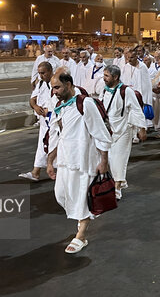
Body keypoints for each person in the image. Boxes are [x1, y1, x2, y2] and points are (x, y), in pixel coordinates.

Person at [46, 72, 112, 254]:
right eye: (52, 88)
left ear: (68, 84)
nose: (54, 92)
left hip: (84, 160)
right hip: (66, 160)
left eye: (57, 87)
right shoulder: (60, 106)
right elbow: (56, 135)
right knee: (61, 195)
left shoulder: (85, 103)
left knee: (82, 198)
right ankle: (81, 219)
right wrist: (50, 162)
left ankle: (81, 235)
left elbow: (101, 134)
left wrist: (104, 161)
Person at [101, 65, 147, 200]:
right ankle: (118, 182)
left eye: (106, 76)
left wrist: (141, 129)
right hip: (109, 130)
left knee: (118, 159)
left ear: (115, 77)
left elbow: (136, 110)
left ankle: (117, 188)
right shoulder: (104, 90)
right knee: (110, 159)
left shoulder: (126, 91)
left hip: (124, 129)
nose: (104, 79)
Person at [19, 62, 54, 181]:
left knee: (56, 145)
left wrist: (48, 111)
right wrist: (35, 107)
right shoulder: (40, 84)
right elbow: (32, 99)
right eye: (39, 73)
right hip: (44, 120)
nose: (41, 75)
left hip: (54, 119)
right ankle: (36, 172)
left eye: (43, 73)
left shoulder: (57, 84)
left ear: (50, 71)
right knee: (43, 145)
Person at [121, 50, 153, 140]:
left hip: (140, 96)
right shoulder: (126, 67)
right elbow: (123, 80)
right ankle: (133, 134)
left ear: (136, 57)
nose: (129, 60)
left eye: (132, 58)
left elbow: (146, 84)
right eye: (128, 58)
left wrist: (145, 99)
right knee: (130, 114)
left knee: (139, 114)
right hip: (129, 94)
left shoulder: (142, 67)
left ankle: (140, 133)